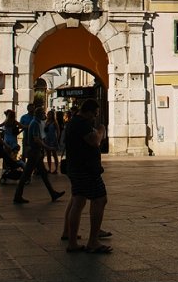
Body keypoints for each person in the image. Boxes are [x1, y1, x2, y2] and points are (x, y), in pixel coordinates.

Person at [63, 98, 110, 253]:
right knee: (100, 199)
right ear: (88, 111)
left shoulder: (75, 122)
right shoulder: (81, 124)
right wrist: (101, 130)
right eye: (95, 114)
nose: (95, 117)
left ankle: (72, 241)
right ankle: (93, 241)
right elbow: (95, 141)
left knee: (78, 201)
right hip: (86, 169)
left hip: (77, 167)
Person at [13, 105, 65, 204]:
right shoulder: (35, 123)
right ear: (39, 114)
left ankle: (53, 193)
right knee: (26, 174)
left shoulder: (36, 122)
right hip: (34, 152)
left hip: (36, 152)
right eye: (43, 113)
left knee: (43, 174)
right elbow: (36, 139)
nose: (45, 115)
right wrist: (48, 147)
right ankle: (17, 195)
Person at [44, 109, 61, 174]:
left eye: (50, 114)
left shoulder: (55, 122)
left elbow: (58, 131)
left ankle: (56, 169)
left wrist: (57, 139)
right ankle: (49, 169)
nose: (49, 115)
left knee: (54, 154)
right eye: (48, 114)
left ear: (52, 115)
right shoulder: (45, 122)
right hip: (47, 139)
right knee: (48, 155)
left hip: (53, 139)